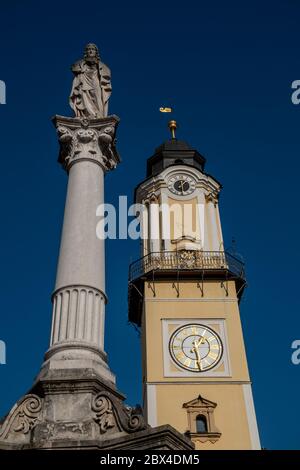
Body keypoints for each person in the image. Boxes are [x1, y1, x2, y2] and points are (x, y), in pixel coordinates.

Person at [69, 43, 111, 118]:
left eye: (92, 49)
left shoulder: (101, 65)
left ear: (96, 52)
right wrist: (83, 64)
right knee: (84, 97)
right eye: (89, 49)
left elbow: (107, 72)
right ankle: (86, 115)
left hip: (95, 81)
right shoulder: (80, 63)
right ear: (86, 52)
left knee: (97, 97)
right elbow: (73, 68)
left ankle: (98, 115)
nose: (90, 51)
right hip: (84, 81)